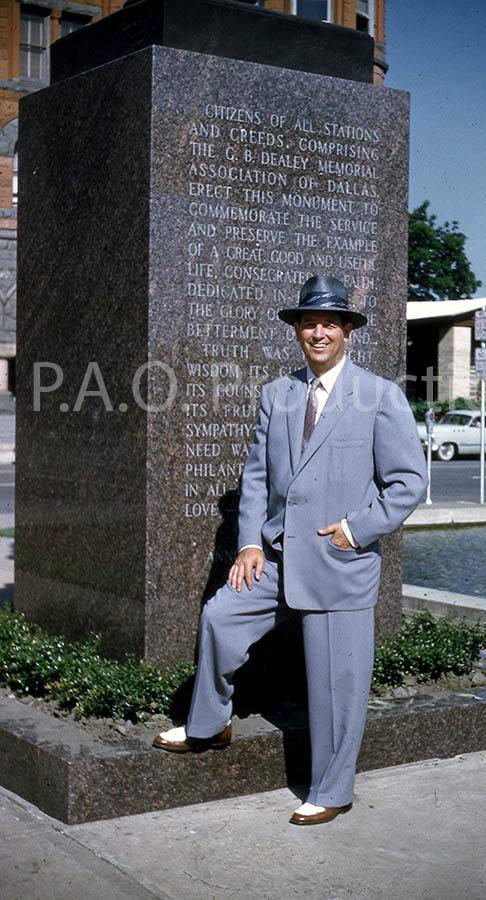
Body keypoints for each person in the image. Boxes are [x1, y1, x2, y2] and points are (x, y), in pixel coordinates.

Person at [153, 274, 427, 826]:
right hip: (276, 559)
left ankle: (332, 788)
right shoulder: (277, 395)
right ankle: (210, 723)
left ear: (348, 331)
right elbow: (256, 479)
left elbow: (408, 482)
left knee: (335, 685)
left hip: (336, 562)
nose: (318, 332)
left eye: (329, 323)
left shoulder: (379, 396)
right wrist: (250, 541)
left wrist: (356, 529)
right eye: (309, 323)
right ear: (297, 332)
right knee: (219, 617)